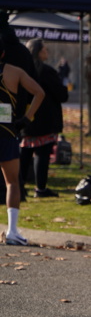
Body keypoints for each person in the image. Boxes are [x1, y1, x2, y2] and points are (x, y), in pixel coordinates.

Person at [0, 39, 46, 246]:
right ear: (3, 54)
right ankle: (12, 231)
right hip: (6, 132)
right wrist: (26, 119)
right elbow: (39, 93)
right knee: (12, 182)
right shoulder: (14, 72)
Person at [20, 39, 66, 198]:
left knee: (25, 152)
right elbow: (61, 94)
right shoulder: (46, 71)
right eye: (45, 49)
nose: (47, 52)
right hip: (45, 119)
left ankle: (19, 185)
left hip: (27, 117)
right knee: (42, 153)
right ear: (38, 52)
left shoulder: (22, 70)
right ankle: (40, 188)